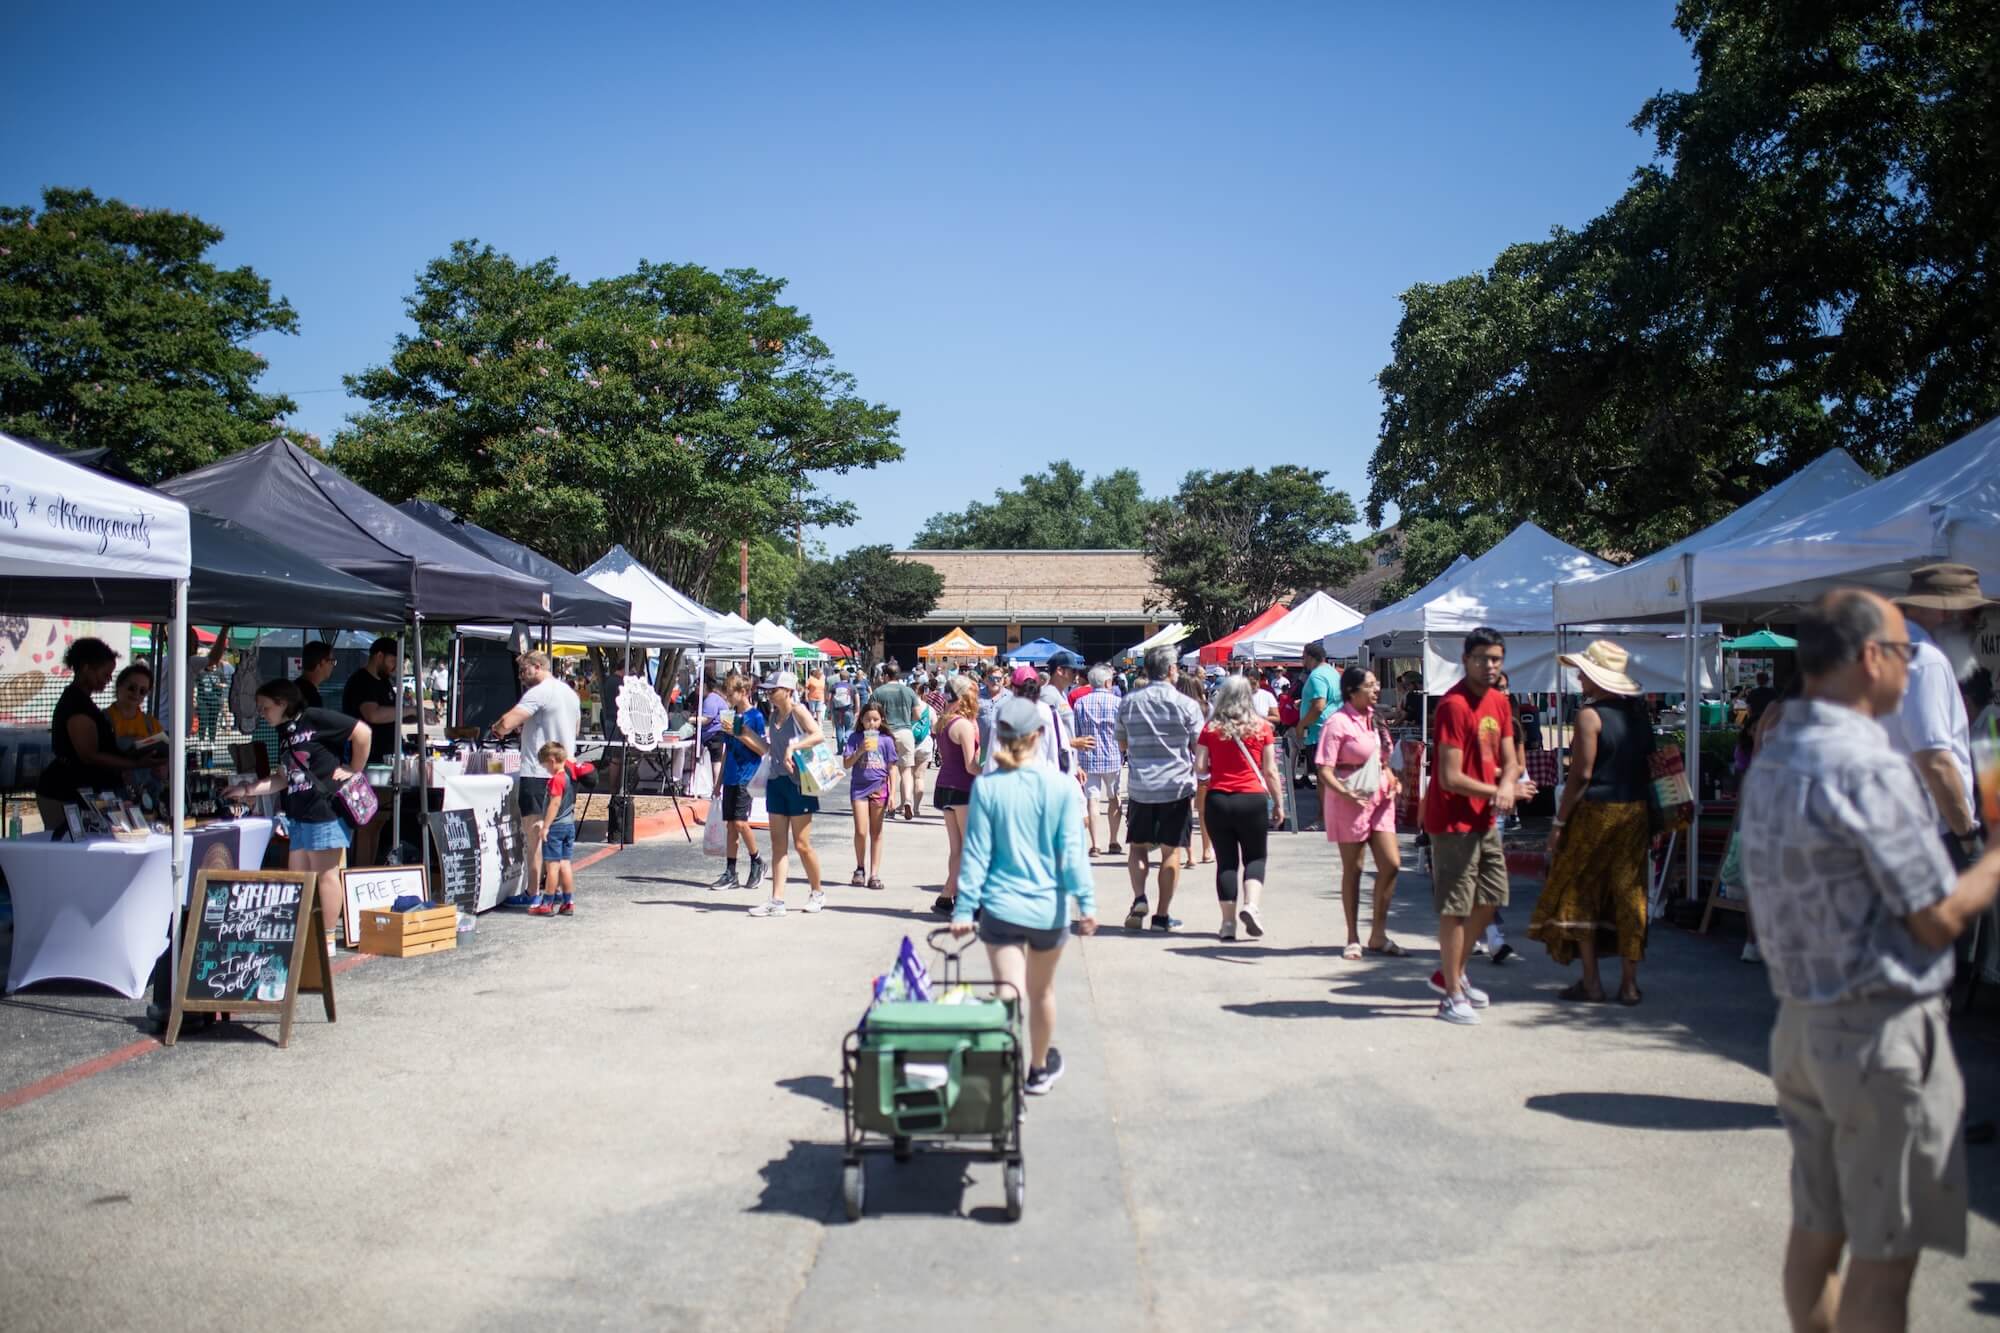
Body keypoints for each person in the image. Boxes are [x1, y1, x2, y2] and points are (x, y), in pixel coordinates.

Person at [1740, 589, 2000, 1333]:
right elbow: (1936, 916)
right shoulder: (1871, 767)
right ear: (1869, 659)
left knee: (1816, 1232)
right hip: (1877, 1030)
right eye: (1905, 651)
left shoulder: (1775, 752)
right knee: (1886, 1257)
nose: (1914, 665)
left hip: (1802, 1022)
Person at [951, 695, 1099, 1095]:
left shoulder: (987, 787)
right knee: (1041, 992)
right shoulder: (1061, 787)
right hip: (1047, 911)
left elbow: (976, 853)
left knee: (1007, 992)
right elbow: (1073, 852)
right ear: (1039, 735)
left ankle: (999, 1066)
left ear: (998, 735)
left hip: (999, 907)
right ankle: (1036, 1068)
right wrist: (1086, 903)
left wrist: (964, 907)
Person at [1526, 641, 1655, 1004]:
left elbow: (1581, 775)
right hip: (1635, 811)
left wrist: (1559, 823)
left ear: (1598, 677)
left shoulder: (1589, 715)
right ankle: (1629, 985)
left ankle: (1592, 982)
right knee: (1630, 894)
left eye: (1584, 672)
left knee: (1582, 891)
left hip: (1596, 811)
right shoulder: (1639, 714)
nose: (1579, 677)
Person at [1423, 627, 1537, 1025]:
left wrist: (1508, 785)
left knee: (1491, 898)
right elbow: (1450, 776)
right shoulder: (1453, 706)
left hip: (1483, 818)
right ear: (1465, 658)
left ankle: (1450, 973)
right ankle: (1451, 994)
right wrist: (1498, 792)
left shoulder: (1500, 704)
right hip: (1452, 821)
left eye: (1496, 659)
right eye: (1482, 658)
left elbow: (1510, 757)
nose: (1489, 666)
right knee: (1455, 907)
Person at [224, 681, 372, 947]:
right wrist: (247, 788)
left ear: (282, 703)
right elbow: (284, 777)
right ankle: (302, 936)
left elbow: (362, 732)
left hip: (324, 810)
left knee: (325, 874)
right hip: (299, 815)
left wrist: (354, 768)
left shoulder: (314, 717)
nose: (262, 713)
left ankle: (325, 940)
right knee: (298, 876)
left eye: (265, 707)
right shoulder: (285, 733)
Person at [1886, 564, 1990, 870]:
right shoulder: (1923, 658)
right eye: (1974, 616)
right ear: (1948, 613)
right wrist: (1967, 835)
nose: (1976, 627)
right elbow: (1935, 761)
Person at [1318, 667, 1404, 961]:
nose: (1376, 688)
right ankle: (1353, 937)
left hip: (1380, 798)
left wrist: (1391, 776)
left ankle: (1378, 933)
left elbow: (1383, 760)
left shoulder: (1375, 719)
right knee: (1353, 869)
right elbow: (1324, 769)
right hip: (1349, 801)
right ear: (1352, 691)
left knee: (1391, 863)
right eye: (1370, 685)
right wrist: (1346, 793)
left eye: (1376, 683)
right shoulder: (1337, 723)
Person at [1117, 645, 1204, 933]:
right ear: (1170, 670)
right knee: (1171, 851)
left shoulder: (1129, 702)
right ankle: (1162, 915)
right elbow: (1198, 748)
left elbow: (1123, 743)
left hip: (1141, 785)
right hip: (1175, 786)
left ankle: (1139, 897)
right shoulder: (1187, 705)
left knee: (1138, 847)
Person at [35, 639, 156, 831]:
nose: (108, 679)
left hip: (80, 789)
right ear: (86, 668)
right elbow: (89, 755)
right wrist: (134, 763)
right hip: (63, 790)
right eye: (105, 674)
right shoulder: (76, 704)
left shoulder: (83, 702)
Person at [489, 651, 580, 907]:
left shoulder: (539, 692)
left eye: (524, 671)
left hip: (537, 773)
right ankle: (562, 893)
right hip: (564, 771)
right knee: (558, 837)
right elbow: (574, 729)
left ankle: (533, 892)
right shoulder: (570, 694)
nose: (521, 677)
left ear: (538, 667)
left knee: (535, 837)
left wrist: (497, 729)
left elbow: (508, 721)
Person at [1195, 677, 1283, 941]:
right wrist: (1279, 803)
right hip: (1252, 799)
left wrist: (1218, 770)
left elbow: (1200, 767)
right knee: (1255, 858)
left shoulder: (1210, 728)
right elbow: (1270, 770)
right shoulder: (1263, 727)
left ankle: (1227, 923)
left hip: (1219, 799)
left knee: (1226, 862)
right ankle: (1251, 906)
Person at [741, 670, 828, 917]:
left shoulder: (798, 711)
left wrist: (794, 746)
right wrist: (745, 735)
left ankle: (817, 892)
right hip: (776, 782)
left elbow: (818, 734)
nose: (769, 693)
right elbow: (769, 749)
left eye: (773, 689)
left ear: (788, 691)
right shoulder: (773, 715)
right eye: (768, 689)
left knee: (802, 844)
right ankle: (777, 901)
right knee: (778, 844)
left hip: (799, 783)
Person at [526, 740, 596, 917]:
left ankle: (547, 902)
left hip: (556, 827)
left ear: (551, 760)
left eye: (545, 766)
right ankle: (568, 902)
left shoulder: (557, 779)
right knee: (565, 864)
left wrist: (546, 826)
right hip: (568, 825)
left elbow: (554, 804)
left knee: (552, 866)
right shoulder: (570, 777)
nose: (546, 770)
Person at [931, 677, 982, 916]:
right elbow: (971, 765)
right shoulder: (963, 725)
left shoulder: (944, 721)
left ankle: (948, 896)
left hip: (944, 785)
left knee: (957, 848)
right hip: (963, 787)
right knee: (970, 848)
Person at [710, 676, 765, 892]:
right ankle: (730, 871)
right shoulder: (730, 716)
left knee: (741, 823)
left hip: (747, 775)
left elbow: (761, 748)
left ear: (743, 692)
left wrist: (739, 733)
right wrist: (718, 781)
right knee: (731, 825)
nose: (728, 697)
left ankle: (757, 860)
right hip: (731, 775)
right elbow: (726, 750)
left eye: (731, 693)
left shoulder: (755, 716)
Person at [842, 699, 896, 890]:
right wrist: (860, 750)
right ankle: (860, 868)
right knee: (861, 831)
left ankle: (874, 874)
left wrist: (893, 793)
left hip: (879, 787)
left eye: (875, 719)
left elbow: (892, 768)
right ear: (861, 720)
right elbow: (846, 764)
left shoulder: (887, 740)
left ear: (881, 720)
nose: (871, 723)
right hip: (859, 787)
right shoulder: (854, 738)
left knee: (876, 832)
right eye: (868, 720)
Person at [1075, 665, 1126, 856]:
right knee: (1114, 798)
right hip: (1112, 755)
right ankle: (1113, 840)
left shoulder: (1080, 703)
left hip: (1088, 756)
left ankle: (1095, 844)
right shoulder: (1117, 702)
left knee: (1092, 799)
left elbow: (1077, 732)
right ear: (1107, 682)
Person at [1294, 641, 1339, 830]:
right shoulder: (1333, 673)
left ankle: (1324, 818)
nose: (1303, 662)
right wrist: (1303, 703)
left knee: (1323, 779)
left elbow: (1319, 705)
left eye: (1304, 657)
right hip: (1333, 729)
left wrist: (1301, 724)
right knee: (1329, 777)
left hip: (1320, 732)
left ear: (1311, 657)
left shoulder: (1317, 676)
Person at [871, 663, 922, 821]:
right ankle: (907, 800)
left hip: (886, 734)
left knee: (886, 771)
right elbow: (918, 715)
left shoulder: (878, 692)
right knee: (906, 771)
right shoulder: (909, 691)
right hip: (906, 732)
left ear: (885, 676)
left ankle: (890, 804)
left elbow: (871, 715)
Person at [1175, 671, 1213, 867]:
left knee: (1185, 809)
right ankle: (1207, 849)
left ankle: (1189, 854)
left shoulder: (1175, 708)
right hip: (1204, 762)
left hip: (1181, 762)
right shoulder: (1207, 708)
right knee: (1204, 810)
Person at [699, 672, 729, 795]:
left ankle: (716, 788)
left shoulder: (710, 699)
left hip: (715, 734)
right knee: (716, 761)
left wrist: (691, 719)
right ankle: (715, 787)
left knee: (716, 761)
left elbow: (707, 718)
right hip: (717, 733)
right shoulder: (715, 697)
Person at [295, 641, 335, 711]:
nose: (333, 666)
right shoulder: (311, 697)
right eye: (332, 661)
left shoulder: (294, 688)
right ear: (322, 662)